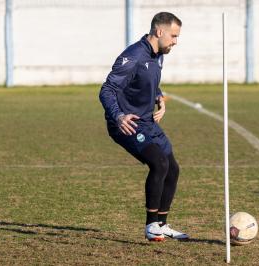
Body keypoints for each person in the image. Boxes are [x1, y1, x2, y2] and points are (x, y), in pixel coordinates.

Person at [99, 12, 188, 242]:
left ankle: (162, 224)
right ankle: (150, 226)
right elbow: (107, 89)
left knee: (173, 168)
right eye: (173, 36)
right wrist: (118, 116)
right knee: (158, 163)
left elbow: (148, 82)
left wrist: (158, 97)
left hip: (147, 122)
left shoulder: (159, 53)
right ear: (159, 32)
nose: (175, 42)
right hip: (126, 123)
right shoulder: (133, 55)